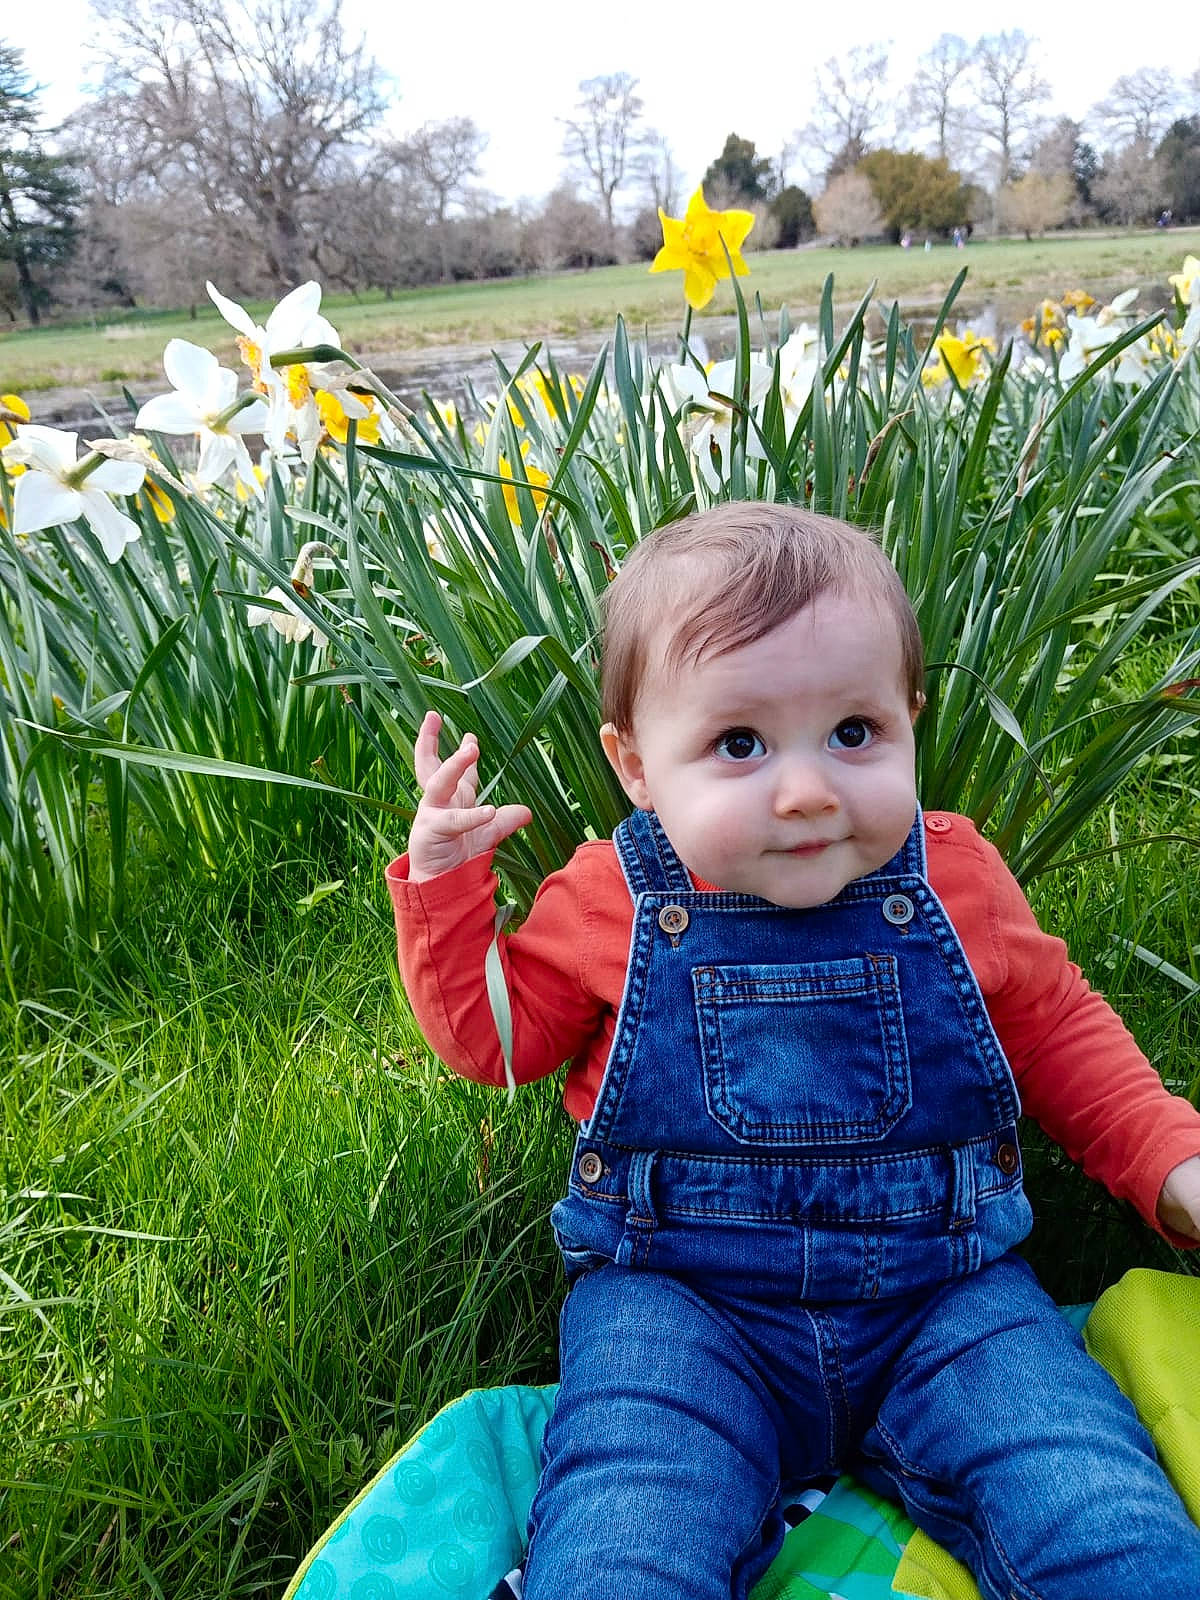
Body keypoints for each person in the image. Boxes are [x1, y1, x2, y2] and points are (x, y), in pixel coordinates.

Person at [389, 503, 1200, 1600]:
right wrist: (446, 893)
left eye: (854, 732)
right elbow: (497, 1041)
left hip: (946, 1295)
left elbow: (1063, 1038)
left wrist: (1173, 1163)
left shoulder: (955, 879)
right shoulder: (612, 898)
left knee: (1100, 1512)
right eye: (740, 744)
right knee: (627, 1535)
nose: (809, 789)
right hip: (681, 1305)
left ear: (910, 719)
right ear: (636, 766)